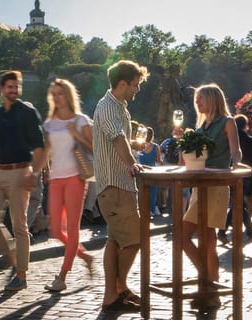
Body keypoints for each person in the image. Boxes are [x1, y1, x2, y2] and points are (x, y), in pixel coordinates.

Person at [93, 60, 149, 310]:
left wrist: (135, 151)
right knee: (135, 240)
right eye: (135, 85)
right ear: (123, 83)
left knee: (114, 242)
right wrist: (132, 164)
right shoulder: (107, 107)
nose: (137, 89)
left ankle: (112, 296)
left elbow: (121, 140)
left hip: (120, 187)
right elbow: (117, 139)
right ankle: (119, 288)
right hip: (115, 188)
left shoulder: (120, 107)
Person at [0, 71, 46, 291]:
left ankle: (21, 275)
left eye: (17, 86)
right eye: (10, 86)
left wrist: (34, 173)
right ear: (1, 89)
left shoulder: (28, 112)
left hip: (20, 172)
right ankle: (12, 255)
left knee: (19, 226)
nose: (14, 90)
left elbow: (40, 146)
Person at [180, 84, 241, 306]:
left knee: (207, 240)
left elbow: (235, 150)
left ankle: (209, 289)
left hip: (216, 185)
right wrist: (181, 142)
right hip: (199, 186)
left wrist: (237, 163)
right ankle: (209, 285)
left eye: (200, 98)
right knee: (187, 237)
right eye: (196, 99)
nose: (197, 102)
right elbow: (187, 159)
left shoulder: (227, 122)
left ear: (213, 99)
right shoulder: (199, 127)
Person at [42, 78, 95, 292]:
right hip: (55, 178)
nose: (56, 97)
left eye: (60, 93)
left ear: (68, 95)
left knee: (72, 229)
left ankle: (62, 276)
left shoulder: (81, 120)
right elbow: (46, 149)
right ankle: (85, 257)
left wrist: (75, 134)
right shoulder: (49, 123)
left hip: (75, 177)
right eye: (53, 93)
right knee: (55, 229)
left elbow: (93, 147)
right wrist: (42, 168)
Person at [218, 114, 252, 244]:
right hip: (248, 174)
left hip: (233, 173)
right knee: (243, 203)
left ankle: (248, 229)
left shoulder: (229, 140)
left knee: (238, 204)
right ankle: (227, 230)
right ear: (245, 126)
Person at [137, 126, 162, 216]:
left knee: (142, 190)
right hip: (152, 170)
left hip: (142, 171)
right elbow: (159, 161)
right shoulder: (156, 146)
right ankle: (151, 209)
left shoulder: (139, 145)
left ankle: (142, 209)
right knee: (153, 191)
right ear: (152, 135)